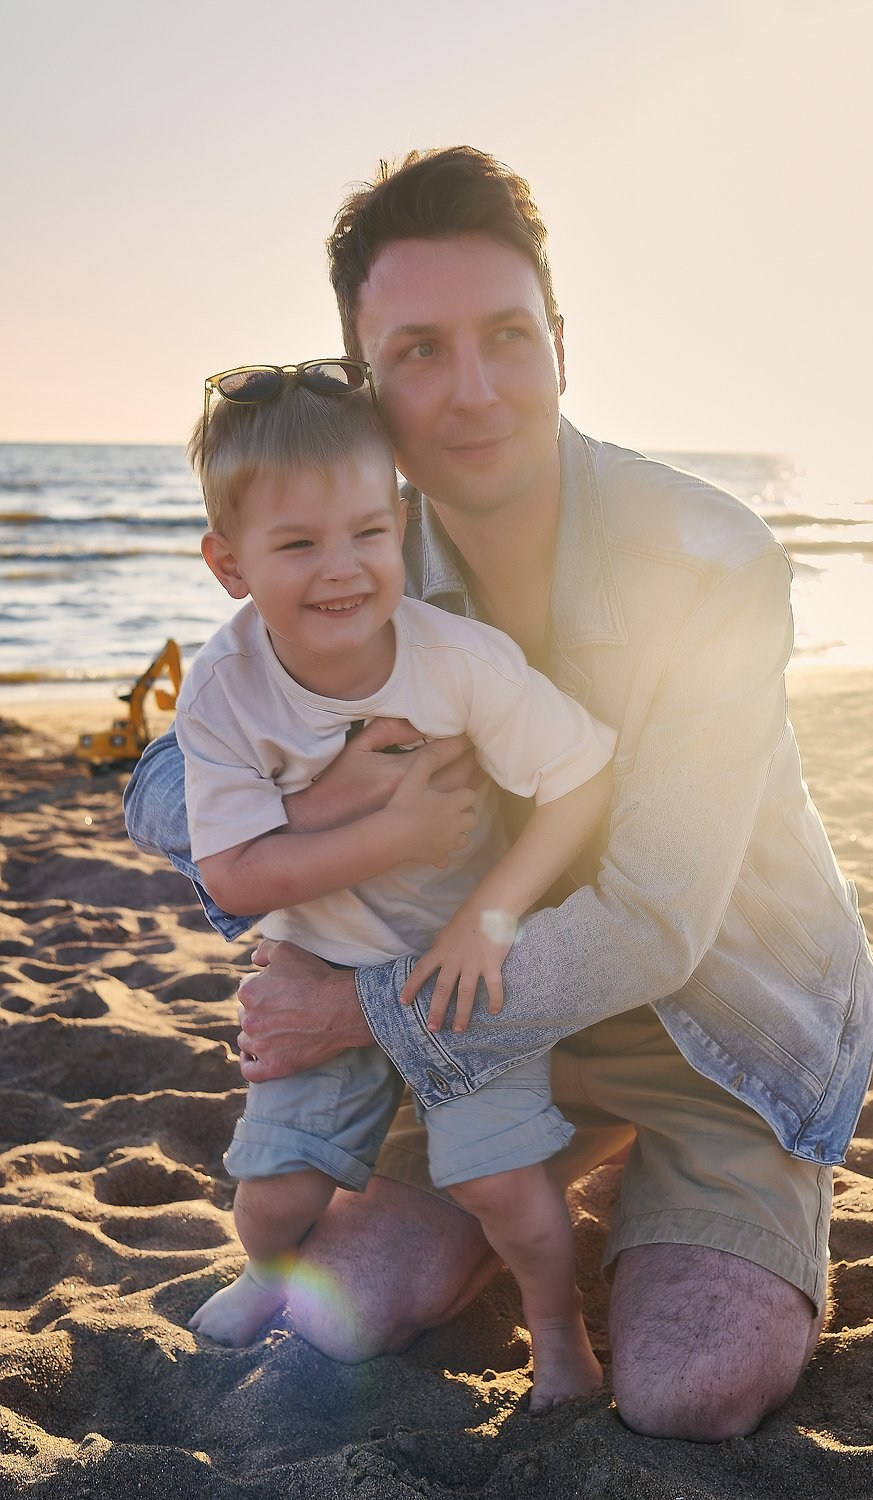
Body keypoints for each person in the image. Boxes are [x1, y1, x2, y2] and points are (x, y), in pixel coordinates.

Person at [125, 146, 873, 1441]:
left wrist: (359, 1008)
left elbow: (653, 921)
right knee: (336, 1308)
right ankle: (517, 1195)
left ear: (561, 346)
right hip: (497, 1029)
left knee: (688, 1389)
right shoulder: (361, 553)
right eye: (419, 350)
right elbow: (163, 785)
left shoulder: (703, 560)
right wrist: (339, 813)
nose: (473, 393)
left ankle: (725, 1196)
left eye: (506, 338)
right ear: (365, 384)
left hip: (721, 1022)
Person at [175, 365, 613, 1407]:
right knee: (273, 1193)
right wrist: (398, 828)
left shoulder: (455, 660)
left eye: (369, 533)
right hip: (318, 960)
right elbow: (233, 875)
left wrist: (488, 916)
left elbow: (582, 775)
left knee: (499, 1184)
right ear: (229, 565)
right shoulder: (225, 688)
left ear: (402, 523)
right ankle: (267, 1273)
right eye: (298, 544)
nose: (343, 570)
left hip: (457, 970)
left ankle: (559, 1339)